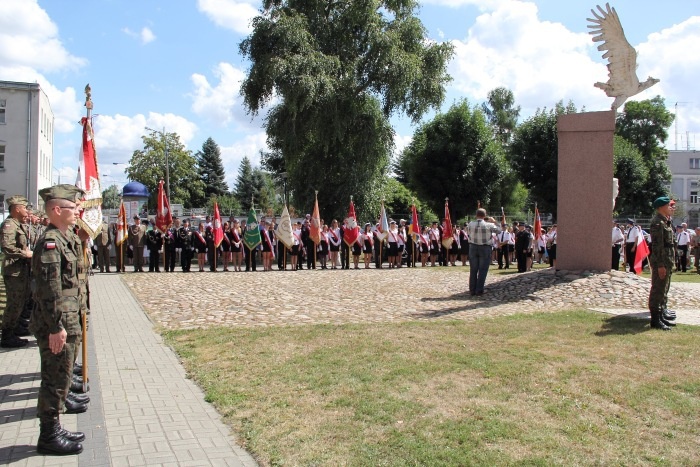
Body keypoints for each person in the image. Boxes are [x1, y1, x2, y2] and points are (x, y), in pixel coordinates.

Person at [30, 184, 86, 455]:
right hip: (57, 323)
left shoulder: (63, 238)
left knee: (61, 377)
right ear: (56, 210)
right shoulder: (50, 242)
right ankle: (48, 435)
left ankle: (55, 426)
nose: (76, 212)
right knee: (54, 378)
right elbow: (48, 289)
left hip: (66, 319)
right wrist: (56, 327)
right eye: (72, 208)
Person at [1, 195, 33, 348]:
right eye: (25, 207)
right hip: (13, 270)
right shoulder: (9, 224)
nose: (26, 211)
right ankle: (7, 335)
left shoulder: (17, 224)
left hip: (20, 269)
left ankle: (16, 328)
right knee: (13, 304)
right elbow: (7, 246)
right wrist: (24, 254)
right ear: (17, 208)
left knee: (21, 301)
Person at [648, 197, 677, 331]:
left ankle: (660, 316)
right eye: (667, 205)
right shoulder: (658, 223)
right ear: (660, 207)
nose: (670, 207)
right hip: (662, 261)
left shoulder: (664, 221)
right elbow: (657, 245)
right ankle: (655, 319)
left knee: (662, 289)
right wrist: (660, 265)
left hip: (666, 260)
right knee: (657, 290)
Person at [467, 208, 499, 296]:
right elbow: (499, 230)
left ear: (476, 215)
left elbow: (468, 232)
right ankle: (479, 290)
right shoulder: (489, 225)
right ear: (485, 216)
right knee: (483, 269)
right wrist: (494, 222)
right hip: (485, 247)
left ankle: (472, 289)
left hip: (473, 247)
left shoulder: (470, 224)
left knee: (473, 269)